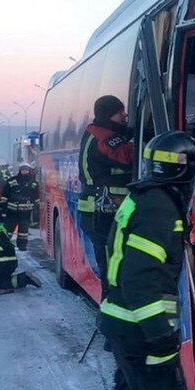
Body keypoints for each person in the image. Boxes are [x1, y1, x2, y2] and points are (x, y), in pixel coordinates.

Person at [47, 131, 195, 390]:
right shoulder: (160, 210)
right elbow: (141, 277)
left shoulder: (146, 197)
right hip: (138, 327)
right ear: (184, 171)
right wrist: (160, 334)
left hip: (123, 321)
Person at [77, 95, 134, 295]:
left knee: (112, 265)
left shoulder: (98, 132)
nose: (124, 115)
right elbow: (126, 157)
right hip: (102, 214)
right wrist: (143, 138)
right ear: (108, 114)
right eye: (120, 112)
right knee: (113, 269)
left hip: (97, 212)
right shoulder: (105, 137)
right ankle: (110, 318)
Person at [2, 163, 39, 251]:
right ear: (20, 170)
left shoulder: (33, 183)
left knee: (23, 231)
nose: (25, 171)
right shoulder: (12, 180)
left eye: (26, 170)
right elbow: (5, 194)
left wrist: (37, 207)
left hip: (26, 211)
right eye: (23, 170)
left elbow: (36, 195)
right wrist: (2, 206)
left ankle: (22, 245)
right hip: (12, 210)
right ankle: (4, 244)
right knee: (8, 229)